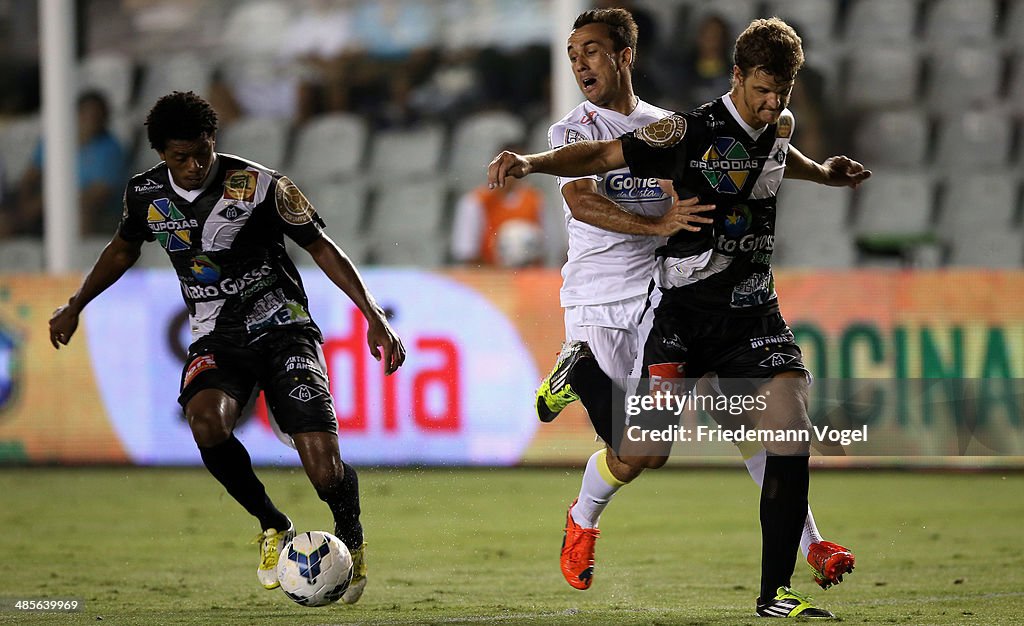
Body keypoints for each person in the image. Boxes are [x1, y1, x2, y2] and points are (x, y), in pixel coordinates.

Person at [489, 16, 870, 618]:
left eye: (593, 51)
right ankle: (578, 388)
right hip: (599, 297)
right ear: (741, 78)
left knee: (749, 421)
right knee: (641, 452)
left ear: (626, 55)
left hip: (663, 290)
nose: (582, 63)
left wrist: (821, 172)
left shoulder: (667, 124)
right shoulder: (581, 127)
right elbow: (583, 193)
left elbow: (761, 155)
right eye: (573, 53)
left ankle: (805, 552)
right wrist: (542, 166)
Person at [48, 91, 405, 603]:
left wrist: (374, 316)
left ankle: (351, 538)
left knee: (324, 466)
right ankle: (273, 524)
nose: (194, 166)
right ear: (161, 155)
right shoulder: (145, 195)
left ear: (213, 141)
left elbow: (321, 247)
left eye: (203, 152)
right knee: (205, 421)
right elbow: (124, 247)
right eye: (180, 157)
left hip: (284, 327)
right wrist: (76, 302)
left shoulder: (263, 187)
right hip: (218, 336)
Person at [3, 90, 125, 237]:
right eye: (87, 114)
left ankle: (80, 257)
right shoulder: (55, 139)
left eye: (98, 115)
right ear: (76, 116)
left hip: (86, 208)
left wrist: (50, 199)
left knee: (81, 208)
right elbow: (30, 177)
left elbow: (99, 193)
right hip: (43, 205)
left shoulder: (111, 149)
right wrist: (25, 202)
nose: (92, 120)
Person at [450, 144, 545, 267]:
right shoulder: (474, 202)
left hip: (529, 279)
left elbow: (546, 248)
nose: (511, 173)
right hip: (489, 279)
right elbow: (467, 254)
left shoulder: (536, 200)